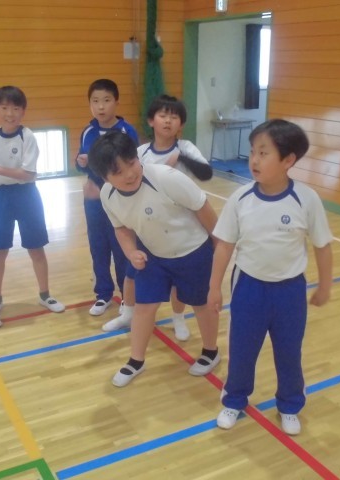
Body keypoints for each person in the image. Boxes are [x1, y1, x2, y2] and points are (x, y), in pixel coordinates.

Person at [208, 119, 333, 435]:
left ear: (288, 160)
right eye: (253, 151)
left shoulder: (306, 199)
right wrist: (214, 288)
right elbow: (224, 246)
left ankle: (290, 405)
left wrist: (325, 286)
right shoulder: (240, 198)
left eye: (263, 153)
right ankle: (234, 399)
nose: (254, 160)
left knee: (289, 351)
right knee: (242, 349)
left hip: (290, 291)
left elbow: (322, 245)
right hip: (249, 287)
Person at [88, 130, 220, 387]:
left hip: (193, 251)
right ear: (104, 178)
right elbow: (121, 228)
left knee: (201, 304)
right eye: (118, 172)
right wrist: (130, 252)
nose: (129, 174)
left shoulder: (166, 178)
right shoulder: (107, 195)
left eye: (131, 163)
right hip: (153, 255)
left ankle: (210, 351)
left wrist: (219, 250)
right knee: (144, 306)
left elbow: (203, 208)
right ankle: (136, 360)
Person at [102, 94, 213, 342]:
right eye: (163, 115)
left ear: (181, 124)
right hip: (146, 225)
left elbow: (206, 173)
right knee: (132, 273)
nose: (168, 121)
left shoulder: (186, 148)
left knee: (178, 284)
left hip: (180, 224)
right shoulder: (140, 152)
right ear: (151, 121)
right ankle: (127, 314)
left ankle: (178, 318)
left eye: (174, 117)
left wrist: (180, 159)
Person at [0, 86, 65, 324]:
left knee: (36, 248)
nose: (10, 113)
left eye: (15, 108)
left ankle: (45, 295)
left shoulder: (28, 136)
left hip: (27, 196)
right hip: (1, 198)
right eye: (4, 108)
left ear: (23, 111)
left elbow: (28, 174)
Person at [75, 79, 139, 318]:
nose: (100, 106)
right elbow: (81, 165)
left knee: (122, 247)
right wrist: (81, 163)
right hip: (94, 201)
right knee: (98, 247)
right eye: (95, 101)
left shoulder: (127, 131)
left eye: (106, 100)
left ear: (116, 102)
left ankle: (126, 296)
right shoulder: (88, 131)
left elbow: (133, 166)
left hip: (120, 200)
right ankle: (103, 294)